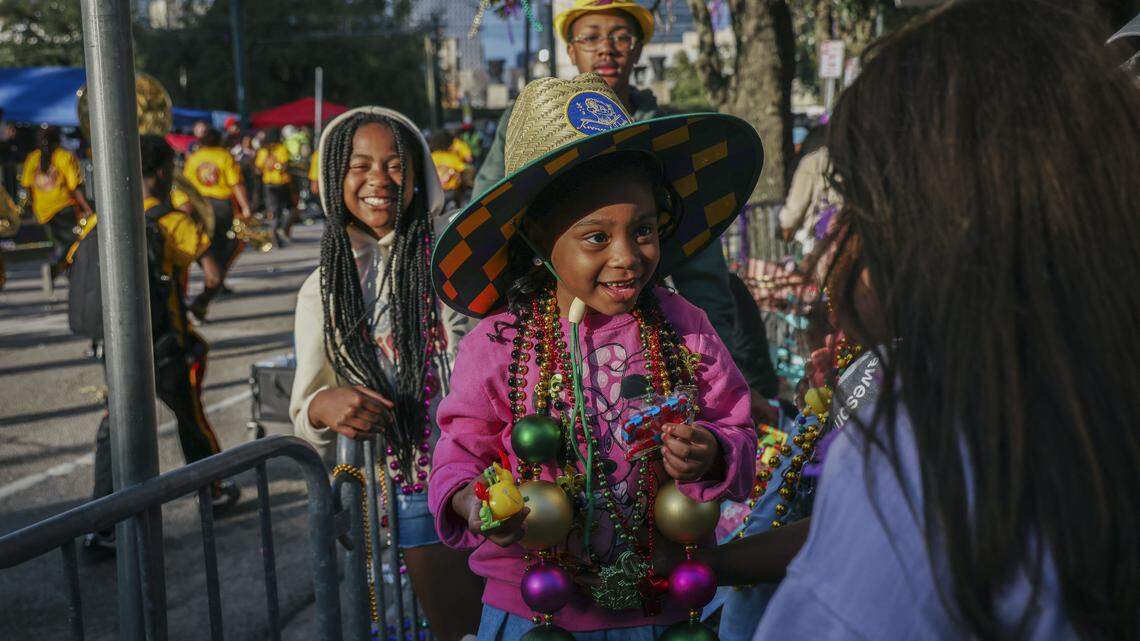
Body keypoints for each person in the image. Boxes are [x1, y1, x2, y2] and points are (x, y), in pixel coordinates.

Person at [665, 2, 1140, 640]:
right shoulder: (1082, 387)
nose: (836, 246)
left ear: (942, 229)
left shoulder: (933, 442)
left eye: (857, 205)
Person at [428, 74, 760, 641]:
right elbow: (458, 455)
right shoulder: (497, 342)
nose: (628, 257)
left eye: (645, 230)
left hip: (665, 607)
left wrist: (713, 451)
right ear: (537, 237)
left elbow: (737, 428)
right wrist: (471, 502)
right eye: (596, 238)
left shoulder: (686, 326)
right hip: (534, 612)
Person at [473, 0, 751, 393]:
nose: (607, 48)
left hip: (645, 323)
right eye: (591, 37)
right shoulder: (523, 124)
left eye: (621, 36)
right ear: (570, 49)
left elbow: (702, 270)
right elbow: (490, 221)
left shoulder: (664, 137)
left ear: (637, 49)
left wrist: (717, 361)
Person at [289, 107, 483, 641]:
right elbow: (304, 411)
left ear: (421, 175)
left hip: (495, 471)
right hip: (407, 490)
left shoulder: (456, 254)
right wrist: (322, 406)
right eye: (360, 165)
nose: (379, 180)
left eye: (396, 165)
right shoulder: (324, 287)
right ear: (334, 177)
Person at [74, 134, 240, 552]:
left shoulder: (102, 218)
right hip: (165, 341)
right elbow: (215, 276)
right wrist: (200, 303)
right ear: (165, 171)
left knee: (115, 424)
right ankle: (213, 489)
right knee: (189, 415)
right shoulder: (173, 221)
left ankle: (104, 523)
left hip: (116, 342)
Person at [183, 127, 252, 319]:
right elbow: (236, 183)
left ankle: (213, 283)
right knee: (224, 248)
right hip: (221, 208)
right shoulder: (224, 156)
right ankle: (213, 284)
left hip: (199, 208)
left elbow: (186, 186)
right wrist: (245, 207)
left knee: (207, 249)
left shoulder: (194, 158)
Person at [20, 125, 93, 276]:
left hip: (43, 212)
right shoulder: (64, 156)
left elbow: (27, 186)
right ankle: (57, 269)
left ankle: (63, 270)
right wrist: (87, 208)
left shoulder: (32, 158)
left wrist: (33, 208)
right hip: (64, 207)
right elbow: (75, 186)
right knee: (73, 240)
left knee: (60, 243)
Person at [256, 127, 294, 247]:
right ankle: (282, 228)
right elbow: (285, 166)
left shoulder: (263, 151)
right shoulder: (281, 149)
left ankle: (274, 232)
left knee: (273, 210)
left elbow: (257, 169)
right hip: (282, 183)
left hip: (268, 184)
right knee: (290, 208)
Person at [428, 129, 470, 207]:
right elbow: (464, 167)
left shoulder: (430, 157)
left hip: (435, 193)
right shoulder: (450, 158)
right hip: (452, 191)